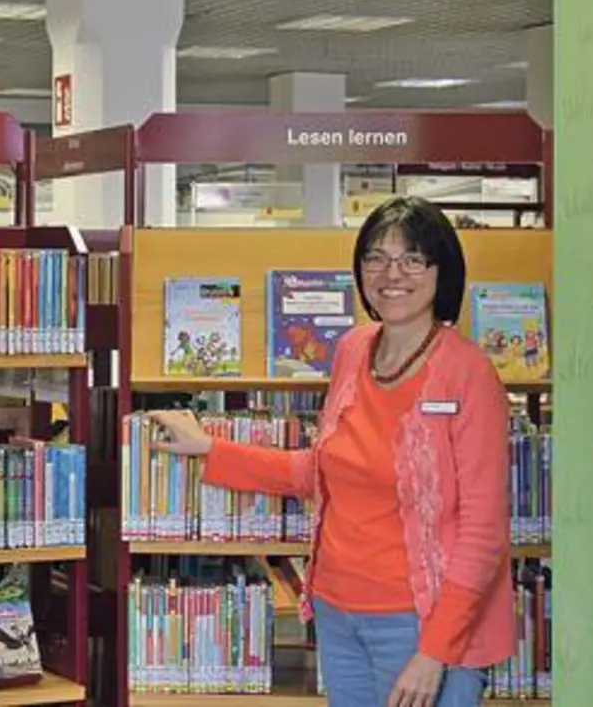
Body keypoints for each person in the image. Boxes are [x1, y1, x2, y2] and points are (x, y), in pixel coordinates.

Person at [149, 196, 515, 707]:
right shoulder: (352, 350)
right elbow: (322, 470)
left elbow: (483, 532)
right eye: (376, 258)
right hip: (338, 610)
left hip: (422, 623)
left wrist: (434, 651)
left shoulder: (468, 374)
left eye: (413, 258)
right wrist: (210, 448)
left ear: (441, 271)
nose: (393, 273)